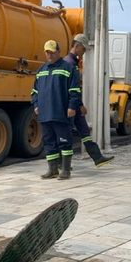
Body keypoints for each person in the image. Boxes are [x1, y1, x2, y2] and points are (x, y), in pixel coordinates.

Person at [31, 40, 81, 180]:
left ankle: (65, 170)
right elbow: (34, 91)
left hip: (61, 112)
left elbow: (75, 90)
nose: (50, 54)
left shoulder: (68, 68)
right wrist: (35, 105)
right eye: (47, 52)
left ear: (59, 52)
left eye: (52, 52)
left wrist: (72, 106)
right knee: (49, 142)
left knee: (64, 141)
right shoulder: (41, 70)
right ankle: (52, 170)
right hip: (45, 114)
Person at [64, 34, 115, 167]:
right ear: (77, 46)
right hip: (71, 105)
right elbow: (72, 88)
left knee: (84, 131)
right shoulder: (69, 64)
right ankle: (64, 164)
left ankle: (97, 157)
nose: (84, 52)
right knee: (67, 135)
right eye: (84, 49)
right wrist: (79, 104)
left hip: (74, 104)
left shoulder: (71, 62)